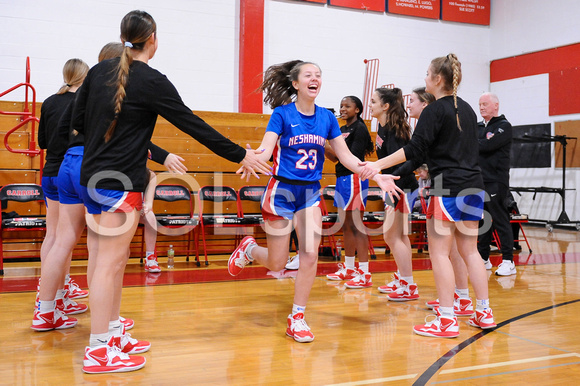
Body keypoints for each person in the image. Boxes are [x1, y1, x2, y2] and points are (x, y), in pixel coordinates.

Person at [70, 11, 270, 374]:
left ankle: (112, 333)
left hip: (90, 180)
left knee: (107, 265)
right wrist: (243, 155)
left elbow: (77, 124)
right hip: (119, 185)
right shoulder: (151, 81)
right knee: (109, 266)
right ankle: (99, 350)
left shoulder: (99, 71)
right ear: (153, 40)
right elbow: (194, 125)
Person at [228, 60, 401, 343]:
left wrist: (376, 173)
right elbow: (267, 147)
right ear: (296, 84)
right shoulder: (281, 114)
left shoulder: (327, 118)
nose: (315, 78)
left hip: (309, 193)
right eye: (308, 75)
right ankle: (249, 249)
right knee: (277, 263)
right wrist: (253, 157)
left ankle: (297, 317)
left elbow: (345, 157)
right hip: (282, 191)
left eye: (318, 75)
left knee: (309, 255)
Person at [360, 53, 496, 338]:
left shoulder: (435, 111)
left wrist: (377, 164)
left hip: (446, 187)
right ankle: (483, 312)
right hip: (473, 185)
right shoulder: (470, 109)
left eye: (426, 73)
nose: (424, 78)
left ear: (437, 79)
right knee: (471, 252)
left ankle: (446, 319)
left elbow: (414, 149)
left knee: (440, 254)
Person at [32, 58, 90, 333]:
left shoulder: (49, 101)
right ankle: (54, 298)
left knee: (53, 236)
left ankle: (52, 296)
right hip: (72, 169)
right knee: (65, 238)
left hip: (50, 171)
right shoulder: (82, 102)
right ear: (84, 76)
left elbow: (42, 141)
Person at [369, 87, 420, 302]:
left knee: (391, 236)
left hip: (400, 186)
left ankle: (408, 285)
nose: (370, 105)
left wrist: (392, 178)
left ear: (385, 106)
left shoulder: (395, 130)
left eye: (373, 101)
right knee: (398, 236)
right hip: (392, 185)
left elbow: (410, 160)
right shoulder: (381, 128)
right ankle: (403, 278)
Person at [324, 95, 374, 288]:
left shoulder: (360, 129)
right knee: (345, 226)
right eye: (341, 105)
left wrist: (328, 144)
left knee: (356, 226)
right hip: (342, 178)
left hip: (355, 178)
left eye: (347, 106)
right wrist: (324, 145)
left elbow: (350, 157)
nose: (343, 109)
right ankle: (350, 268)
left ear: (357, 110)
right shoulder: (342, 130)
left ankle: (365, 272)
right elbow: (336, 159)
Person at [477, 92, 515, 276]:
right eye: (480, 104)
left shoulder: (503, 127)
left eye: (485, 104)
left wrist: (477, 143)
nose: (482, 107)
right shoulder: (478, 127)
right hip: (479, 181)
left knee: (500, 219)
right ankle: (483, 259)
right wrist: (478, 142)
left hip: (496, 181)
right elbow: (474, 145)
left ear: (496, 106)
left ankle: (508, 260)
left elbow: (486, 146)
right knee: (483, 220)